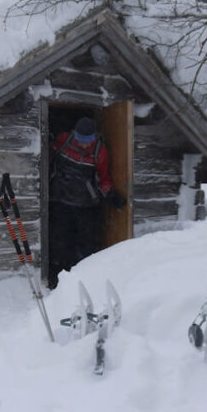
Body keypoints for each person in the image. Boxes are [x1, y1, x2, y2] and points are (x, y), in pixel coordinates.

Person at [48, 116, 126, 285]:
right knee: (60, 241)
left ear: (94, 137)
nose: (83, 145)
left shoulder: (100, 151)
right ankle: (56, 278)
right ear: (74, 135)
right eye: (80, 140)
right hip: (60, 200)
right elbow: (47, 157)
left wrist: (111, 194)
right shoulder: (64, 140)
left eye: (87, 141)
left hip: (85, 205)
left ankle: (82, 279)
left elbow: (104, 179)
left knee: (84, 244)